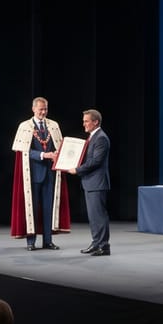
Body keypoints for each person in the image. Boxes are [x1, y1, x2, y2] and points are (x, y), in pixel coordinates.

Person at [9, 97, 70, 250]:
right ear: (33, 109)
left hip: (50, 174)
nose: (43, 112)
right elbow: (23, 152)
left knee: (48, 208)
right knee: (32, 208)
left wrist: (59, 154)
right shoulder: (25, 126)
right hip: (32, 174)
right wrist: (44, 155)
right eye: (41, 109)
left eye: (46, 109)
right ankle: (31, 242)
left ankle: (48, 241)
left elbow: (60, 146)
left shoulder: (53, 125)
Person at [68, 108, 111, 256]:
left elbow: (96, 161)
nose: (84, 124)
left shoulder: (101, 138)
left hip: (97, 183)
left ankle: (103, 246)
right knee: (93, 216)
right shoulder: (93, 137)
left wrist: (77, 170)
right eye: (83, 121)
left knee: (99, 215)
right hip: (90, 182)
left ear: (95, 122)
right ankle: (96, 243)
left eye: (86, 121)